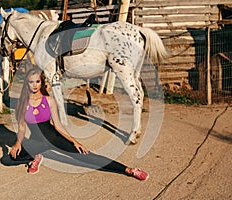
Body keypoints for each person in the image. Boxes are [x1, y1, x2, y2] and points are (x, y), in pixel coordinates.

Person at [9, 67, 149, 180]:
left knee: (88, 157)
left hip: (54, 138)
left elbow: (58, 126)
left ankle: (129, 170)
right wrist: (17, 143)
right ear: (26, 84)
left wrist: (75, 142)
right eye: (31, 82)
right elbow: (22, 127)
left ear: (41, 82)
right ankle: (37, 156)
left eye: (37, 82)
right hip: (37, 141)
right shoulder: (23, 102)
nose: (34, 85)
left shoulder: (49, 100)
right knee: (12, 157)